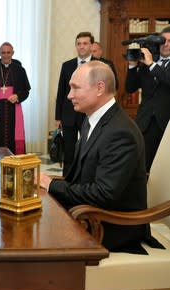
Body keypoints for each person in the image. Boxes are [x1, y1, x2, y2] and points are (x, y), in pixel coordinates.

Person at [41, 61, 163, 253]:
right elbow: (80, 178)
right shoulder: (91, 120)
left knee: (38, 240)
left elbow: (103, 195)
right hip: (90, 213)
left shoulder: (121, 132)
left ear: (100, 88)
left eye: (75, 88)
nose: (69, 95)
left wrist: (51, 185)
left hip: (112, 226)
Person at [125, 26, 170, 172]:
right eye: (163, 40)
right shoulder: (147, 62)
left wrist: (151, 64)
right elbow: (130, 88)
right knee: (142, 166)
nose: (166, 44)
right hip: (145, 122)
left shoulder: (150, 63)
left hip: (166, 124)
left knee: (162, 169)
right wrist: (132, 66)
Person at [55, 32, 95, 176]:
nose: (82, 47)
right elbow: (61, 92)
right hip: (69, 115)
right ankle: (67, 180)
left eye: (85, 43)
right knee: (69, 151)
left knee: (89, 150)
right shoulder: (67, 65)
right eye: (79, 44)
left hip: (90, 115)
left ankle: (85, 179)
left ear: (91, 45)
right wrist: (58, 117)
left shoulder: (99, 65)